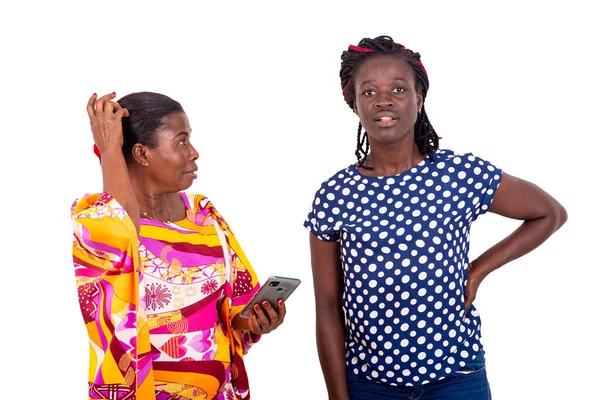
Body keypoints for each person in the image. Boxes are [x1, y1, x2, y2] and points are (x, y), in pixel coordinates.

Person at [304, 36, 567, 400]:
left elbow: (549, 214)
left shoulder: (459, 175)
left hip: (457, 379)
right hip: (369, 386)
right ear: (353, 104)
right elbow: (329, 308)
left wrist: (477, 270)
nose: (384, 100)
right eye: (369, 92)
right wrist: (338, 397)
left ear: (419, 97)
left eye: (398, 88)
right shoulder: (335, 196)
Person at [71, 91, 286, 400]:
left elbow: (233, 310)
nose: (194, 152)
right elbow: (121, 243)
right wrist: (109, 150)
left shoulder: (203, 216)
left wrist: (257, 319)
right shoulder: (98, 223)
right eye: (181, 141)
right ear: (143, 154)